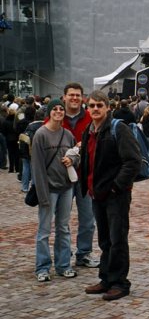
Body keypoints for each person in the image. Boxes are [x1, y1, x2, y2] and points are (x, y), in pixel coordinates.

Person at [80, 90, 141, 301]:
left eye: (99, 105)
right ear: (87, 108)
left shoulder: (118, 128)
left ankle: (119, 282)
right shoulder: (89, 130)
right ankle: (106, 278)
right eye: (92, 106)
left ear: (107, 107)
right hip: (97, 194)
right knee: (105, 240)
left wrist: (116, 186)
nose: (95, 109)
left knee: (118, 239)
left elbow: (134, 160)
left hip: (116, 195)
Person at [32, 99, 79, 282]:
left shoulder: (67, 134)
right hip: (48, 189)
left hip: (66, 187)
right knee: (44, 230)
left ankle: (63, 265)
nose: (58, 111)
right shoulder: (40, 135)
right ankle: (42, 268)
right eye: (55, 109)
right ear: (49, 112)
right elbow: (37, 167)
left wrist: (72, 161)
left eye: (61, 109)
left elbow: (76, 156)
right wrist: (42, 194)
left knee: (64, 228)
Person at [61, 82, 100, 269]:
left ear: (82, 98)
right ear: (64, 97)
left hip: (85, 175)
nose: (74, 98)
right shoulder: (56, 116)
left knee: (87, 219)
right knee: (62, 219)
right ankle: (63, 253)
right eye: (71, 95)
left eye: (78, 95)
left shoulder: (90, 118)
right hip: (62, 176)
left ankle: (83, 253)